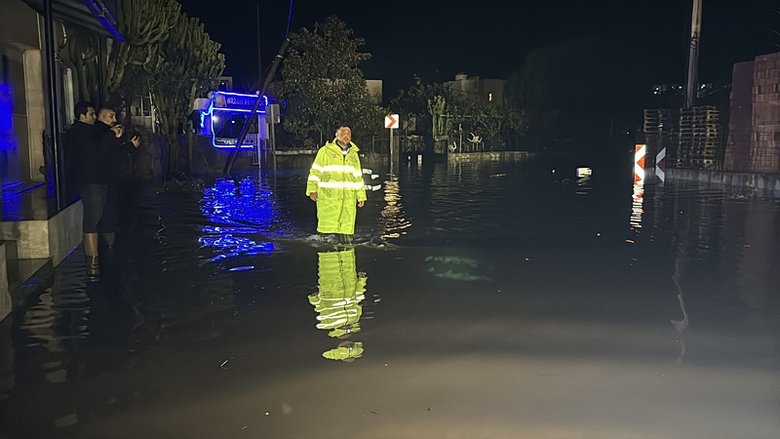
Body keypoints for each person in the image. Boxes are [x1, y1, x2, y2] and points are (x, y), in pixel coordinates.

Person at [305, 126, 367, 244]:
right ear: (336, 135)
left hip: (348, 201)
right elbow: (315, 172)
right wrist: (312, 190)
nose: (346, 135)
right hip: (329, 200)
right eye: (343, 132)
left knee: (347, 238)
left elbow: (358, 177)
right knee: (326, 239)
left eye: (348, 132)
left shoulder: (353, 154)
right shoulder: (325, 151)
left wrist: (361, 195)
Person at [62, 101, 97, 203]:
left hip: (84, 178)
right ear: (82, 116)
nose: (94, 117)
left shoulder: (85, 131)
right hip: (85, 179)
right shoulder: (79, 133)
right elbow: (93, 151)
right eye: (91, 114)